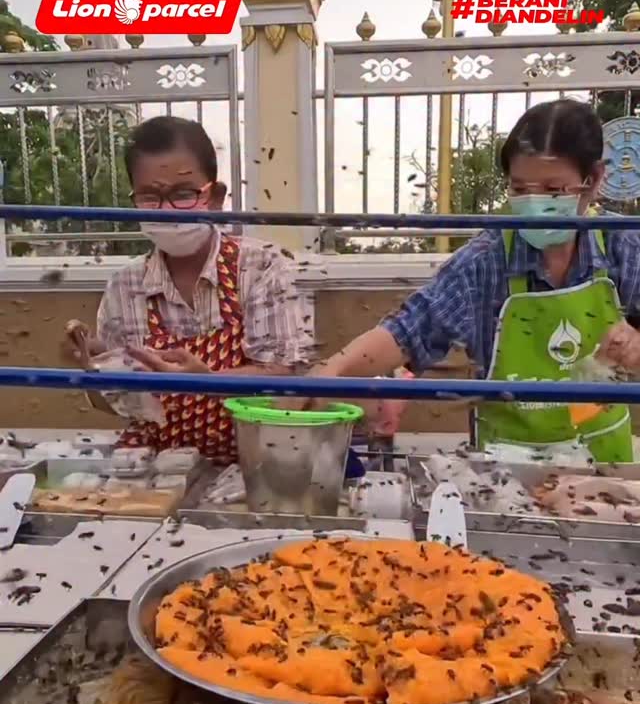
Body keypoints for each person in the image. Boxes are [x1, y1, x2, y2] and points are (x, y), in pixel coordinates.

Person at [292, 99, 640, 463]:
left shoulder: (623, 246)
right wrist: (329, 371)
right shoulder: (485, 261)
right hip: (509, 465)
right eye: (521, 190)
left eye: (554, 191)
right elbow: (410, 329)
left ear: (594, 180)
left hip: (603, 465)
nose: (536, 205)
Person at [63, 115, 312, 462]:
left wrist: (209, 382)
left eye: (183, 194)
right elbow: (116, 405)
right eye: (150, 197)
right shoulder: (125, 287)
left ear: (215, 197)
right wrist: (93, 369)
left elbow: (287, 381)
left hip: (251, 460)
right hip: (158, 465)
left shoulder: (262, 267)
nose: (166, 212)